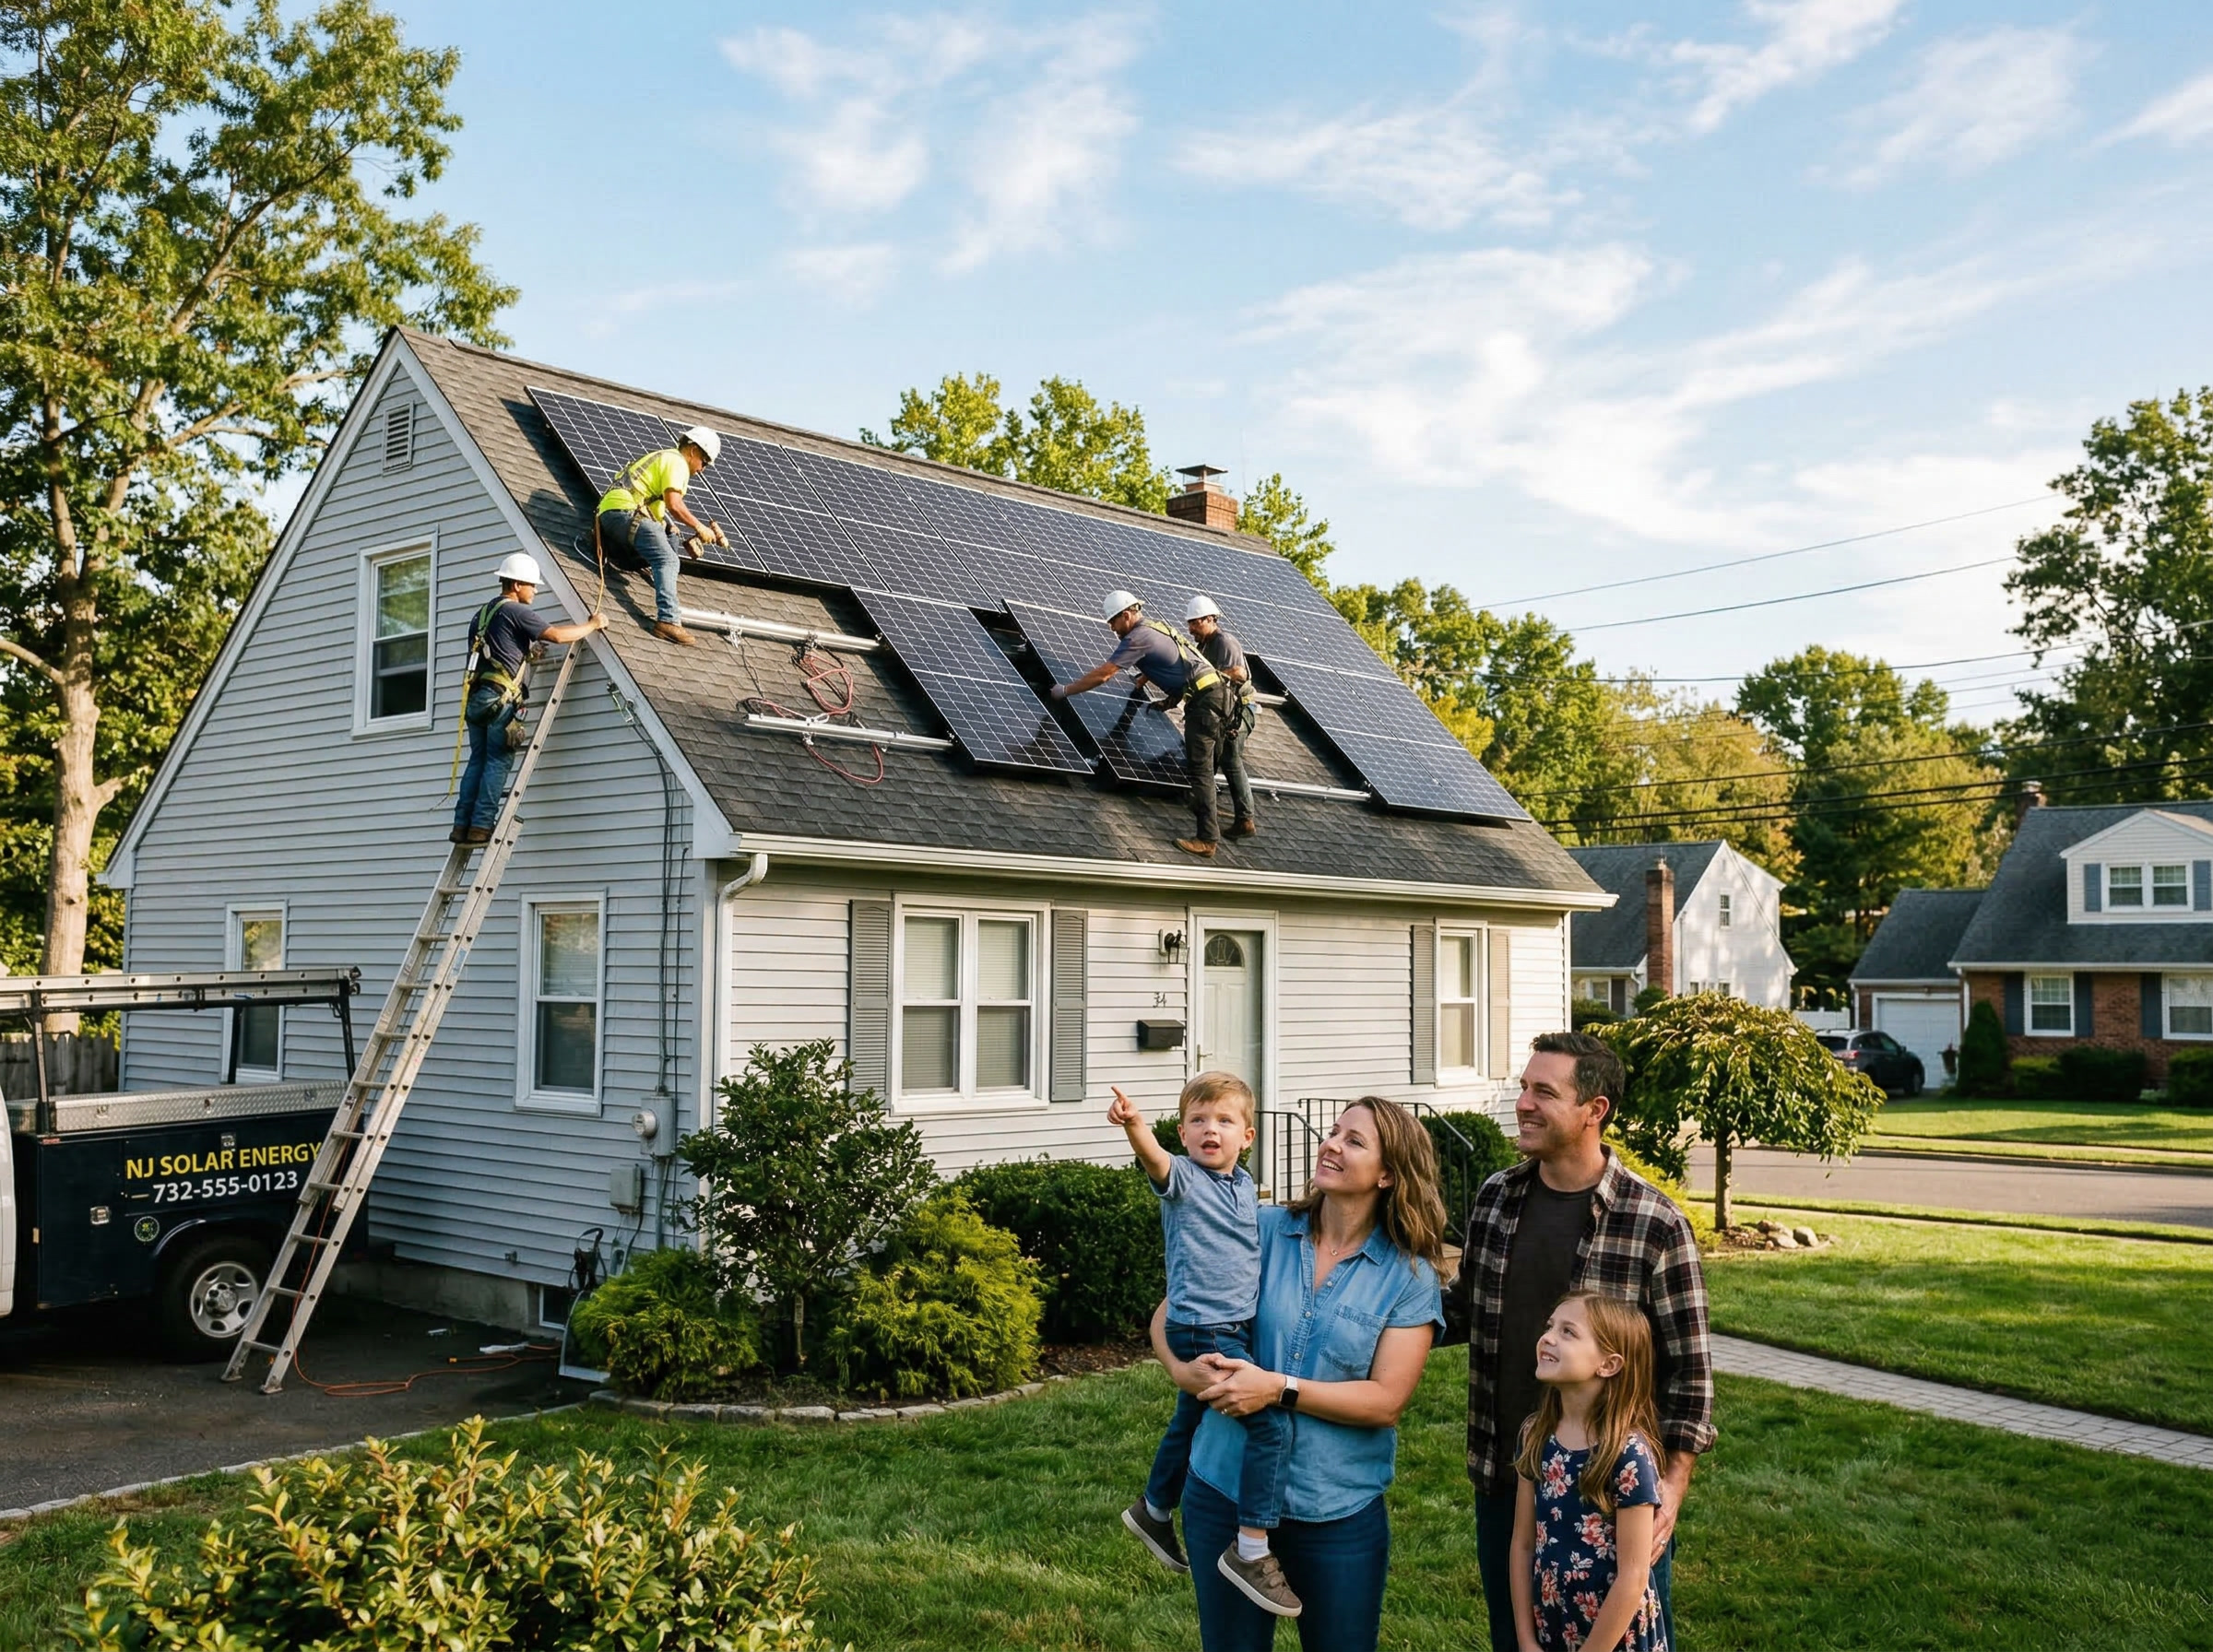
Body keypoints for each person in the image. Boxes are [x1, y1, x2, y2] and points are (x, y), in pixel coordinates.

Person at [1444, 1032, 1713, 1652]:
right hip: (1512, 1473)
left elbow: (1691, 1377)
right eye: (1523, 1089)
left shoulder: (1654, 1223)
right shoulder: (1496, 1198)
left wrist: (1669, 1486)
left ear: (1595, 1110)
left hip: (1607, 1493)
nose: (1524, 1104)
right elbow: (1460, 1310)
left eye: (1545, 1092)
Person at [1152, 1097, 1448, 1652]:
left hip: (1335, 1508)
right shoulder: (1258, 1227)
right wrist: (1181, 1370)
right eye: (1333, 1132)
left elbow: (1386, 1401)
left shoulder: (1408, 1275)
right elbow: (1171, 1310)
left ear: (1388, 1174)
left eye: (1354, 1141)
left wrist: (1277, 1389)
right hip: (1225, 1489)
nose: (1331, 1143)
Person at [1109, 1074, 1295, 1614]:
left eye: (1224, 1121)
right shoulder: (1185, 1178)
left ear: (1248, 1137)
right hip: (1206, 1329)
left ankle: (1155, 1508)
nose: (1210, 1130)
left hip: (1226, 1325)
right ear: (1183, 1135)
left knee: (1188, 1419)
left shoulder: (1241, 1185)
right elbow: (1155, 1162)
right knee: (1269, 1425)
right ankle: (1252, 1548)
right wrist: (1137, 1127)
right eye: (1197, 1121)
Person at [1509, 1292, 1670, 1652]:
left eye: (1568, 1332)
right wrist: (1525, 1638)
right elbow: (1522, 1544)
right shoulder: (1535, 1435)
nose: (1548, 1337)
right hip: (1552, 1629)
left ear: (1609, 1364)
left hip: (1615, 1638)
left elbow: (1633, 1575)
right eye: (1550, 1326)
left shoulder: (1627, 1455)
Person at [1049, 589, 1234, 857]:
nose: (1112, 628)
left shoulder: (1138, 637)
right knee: (1204, 768)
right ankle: (1208, 813)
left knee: (1200, 771)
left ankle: (1207, 840)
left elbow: (1105, 674)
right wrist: (1169, 702)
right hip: (1217, 697)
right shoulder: (1156, 629)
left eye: (1113, 622)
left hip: (1206, 703)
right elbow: (1185, 666)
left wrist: (1065, 690)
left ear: (1127, 615)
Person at [450, 553, 606, 845]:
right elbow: (557, 636)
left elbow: (497, 650)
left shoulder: (482, 614)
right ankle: (482, 826)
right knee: (497, 760)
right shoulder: (516, 612)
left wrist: (527, 653)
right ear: (517, 584)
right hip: (501, 699)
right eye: (532, 586)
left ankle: (462, 826)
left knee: (478, 760)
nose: (535, 591)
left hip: (477, 697)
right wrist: (593, 625)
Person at [596, 424, 728, 646]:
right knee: (667, 559)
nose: (702, 469)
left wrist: (671, 529)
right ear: (693, 450)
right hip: (622, 513)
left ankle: (654, 572)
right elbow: (674, 504)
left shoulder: (665, 459)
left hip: (616, 517)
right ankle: (668, 620)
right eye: (704, 462)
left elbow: (657, 511)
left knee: (670, 536)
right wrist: (699, 527)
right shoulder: (677, 462)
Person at [1184, 595, 1257, 839]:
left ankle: (1245, 820)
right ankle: (1207, 803)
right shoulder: (1203, 646)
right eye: (1190, 623)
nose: (1191, 628)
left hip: (1238, 712)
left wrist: (1211, 677)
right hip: (1225, 711)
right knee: (1219, 758)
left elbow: (1238, 674)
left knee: (1231, 759)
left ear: (1210, 619)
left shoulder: (1225, 641)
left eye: (1195, 622)